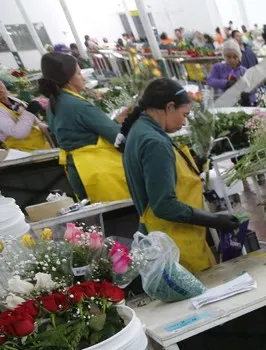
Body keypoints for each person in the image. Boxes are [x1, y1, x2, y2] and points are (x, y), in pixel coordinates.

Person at [123, 79, 240, 274]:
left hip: (164, 236)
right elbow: (164, 205)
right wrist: (213, 219)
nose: (185, 122)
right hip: (175, 243)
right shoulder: (154, 142)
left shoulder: (141, 131)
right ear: (169, 107)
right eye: (184, 114)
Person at [38, 52, 129, 202]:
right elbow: (118, 138)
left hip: (79, 171)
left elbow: (81, 130)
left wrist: (115, 121)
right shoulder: (77, 105)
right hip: (100, 171)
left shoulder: (54, 104)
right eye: (79, 74)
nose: (84, 78)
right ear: (68, 80)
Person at [0, 80, 51, 151]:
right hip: (24, 154)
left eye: (0, 85)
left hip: (43, 148)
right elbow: (17, 133)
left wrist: (49, 129)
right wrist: (29, 113)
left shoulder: (15, 100)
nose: (0, 89)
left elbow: (35, 123)